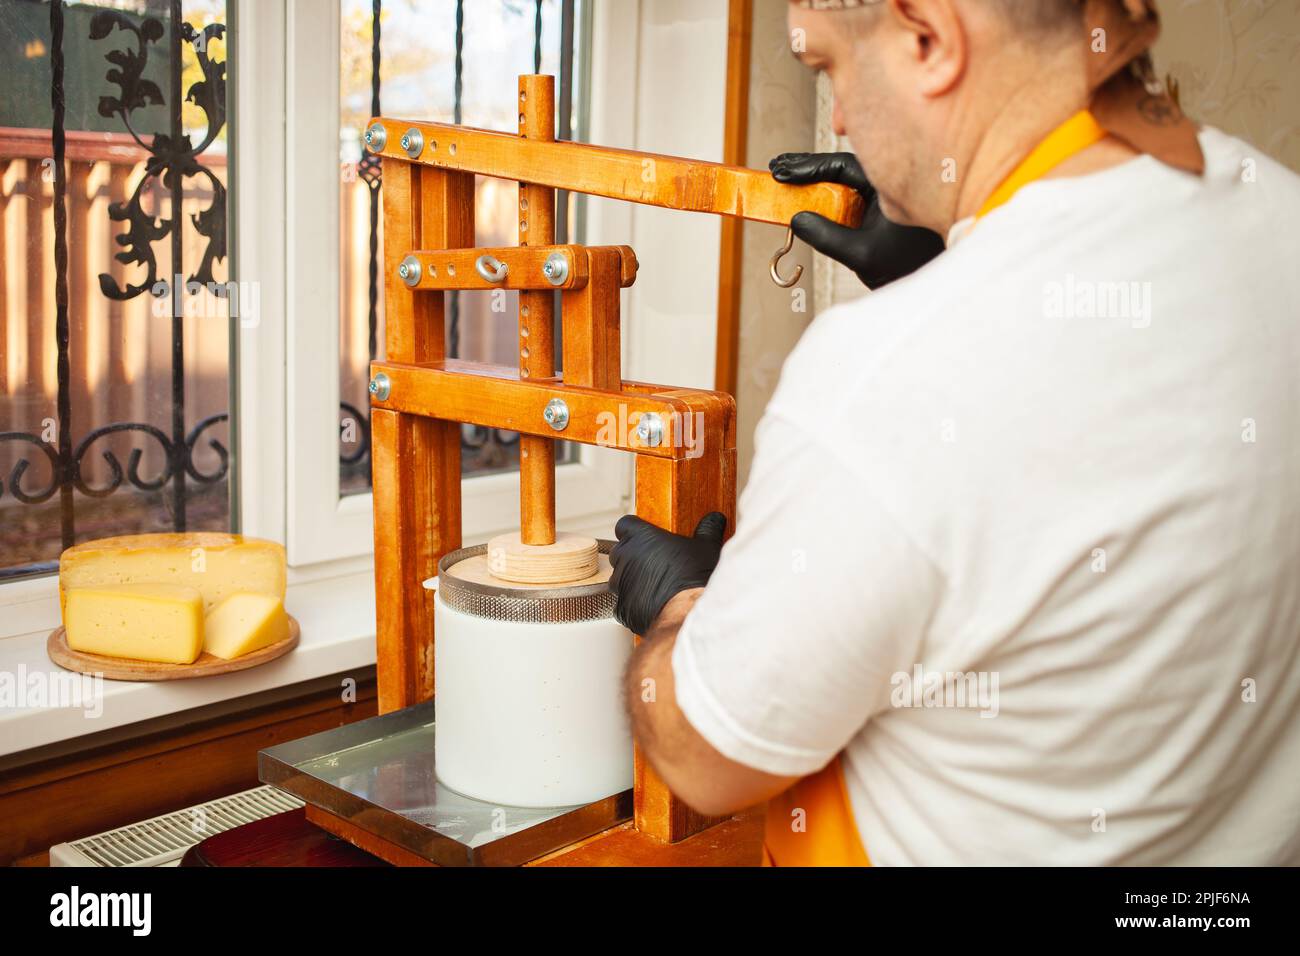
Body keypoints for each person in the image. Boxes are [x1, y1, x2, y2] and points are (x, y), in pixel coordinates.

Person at [610, 0, 1300, 865]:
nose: (839, 117)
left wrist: (677, 611)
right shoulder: (1277, 210)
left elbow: (707, 761)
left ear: (929, 39)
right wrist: (957, 260)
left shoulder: (885, 372)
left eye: (827, 67)